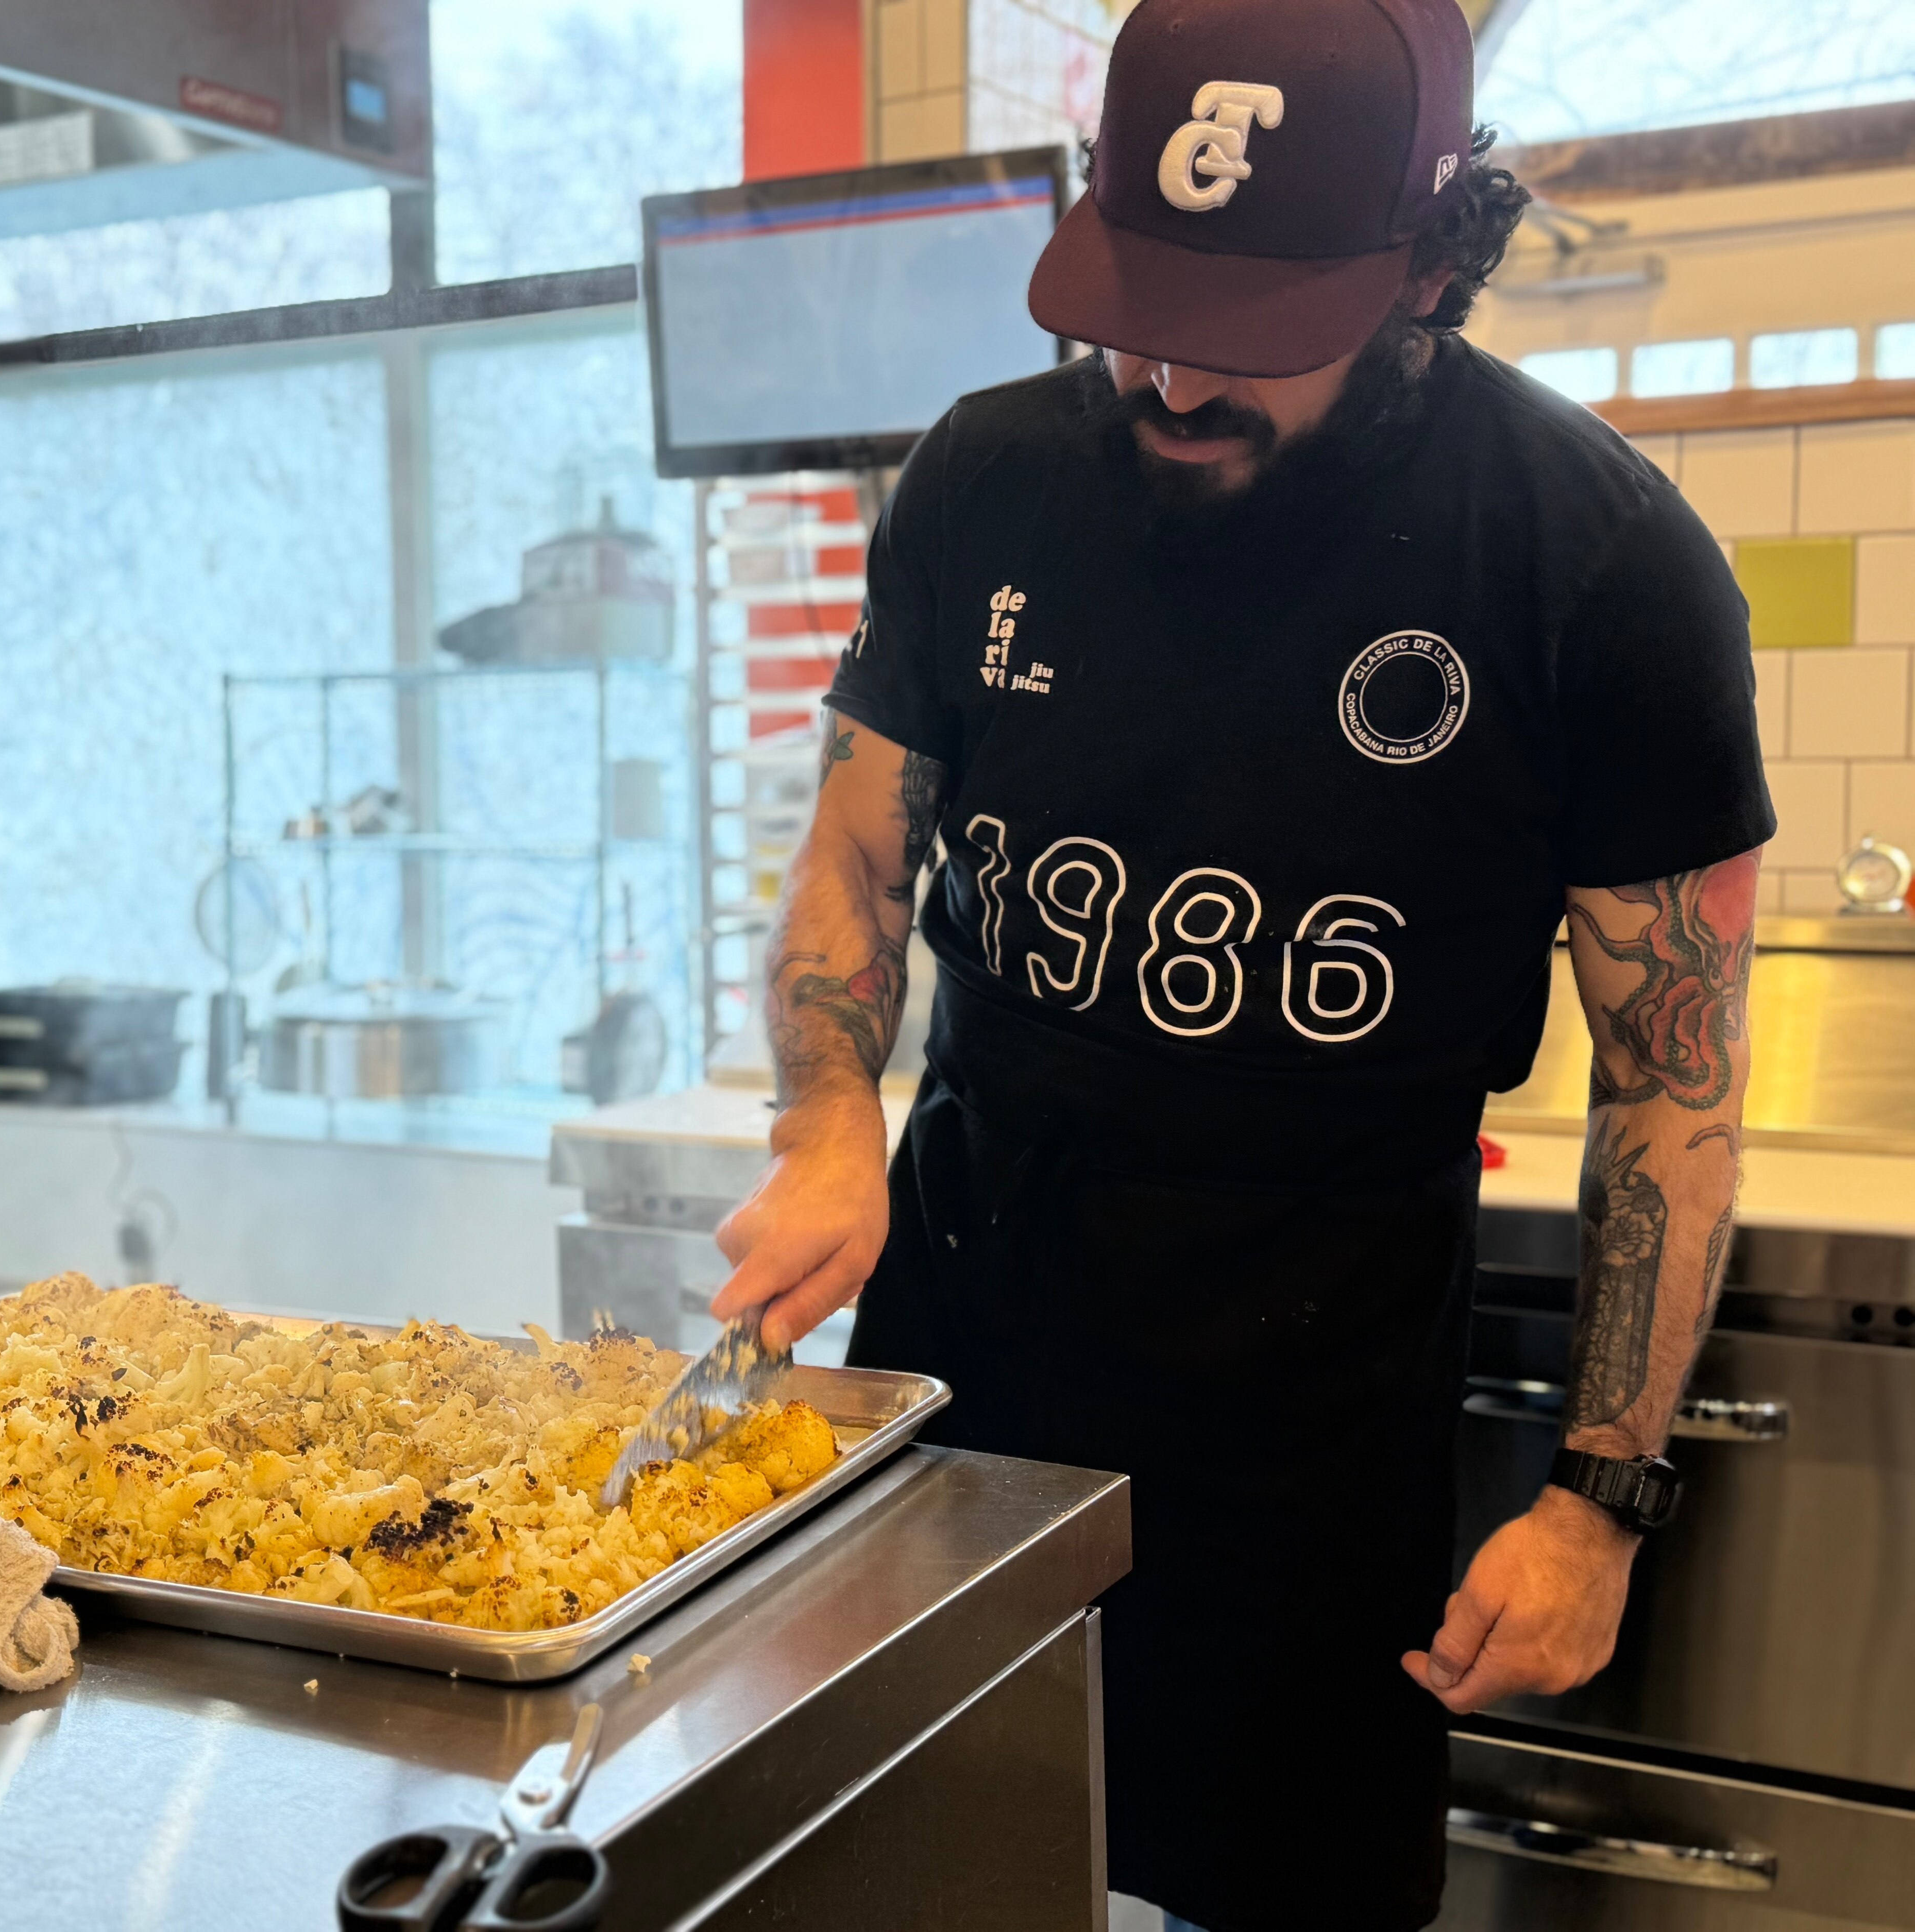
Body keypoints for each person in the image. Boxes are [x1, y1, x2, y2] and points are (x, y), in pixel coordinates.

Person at [707, 1, 1773, 1927]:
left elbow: (1671, 1086)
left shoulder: (1599, 565)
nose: (1178, 373)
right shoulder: (981, 477)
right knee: (924, 1878)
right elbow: (860, 856)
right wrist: (829, 1119)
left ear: (1431, 265)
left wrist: (1601, 1502)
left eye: (1258, 324)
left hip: (1312, 1454)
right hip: (963, 1384)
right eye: (1144, 301)